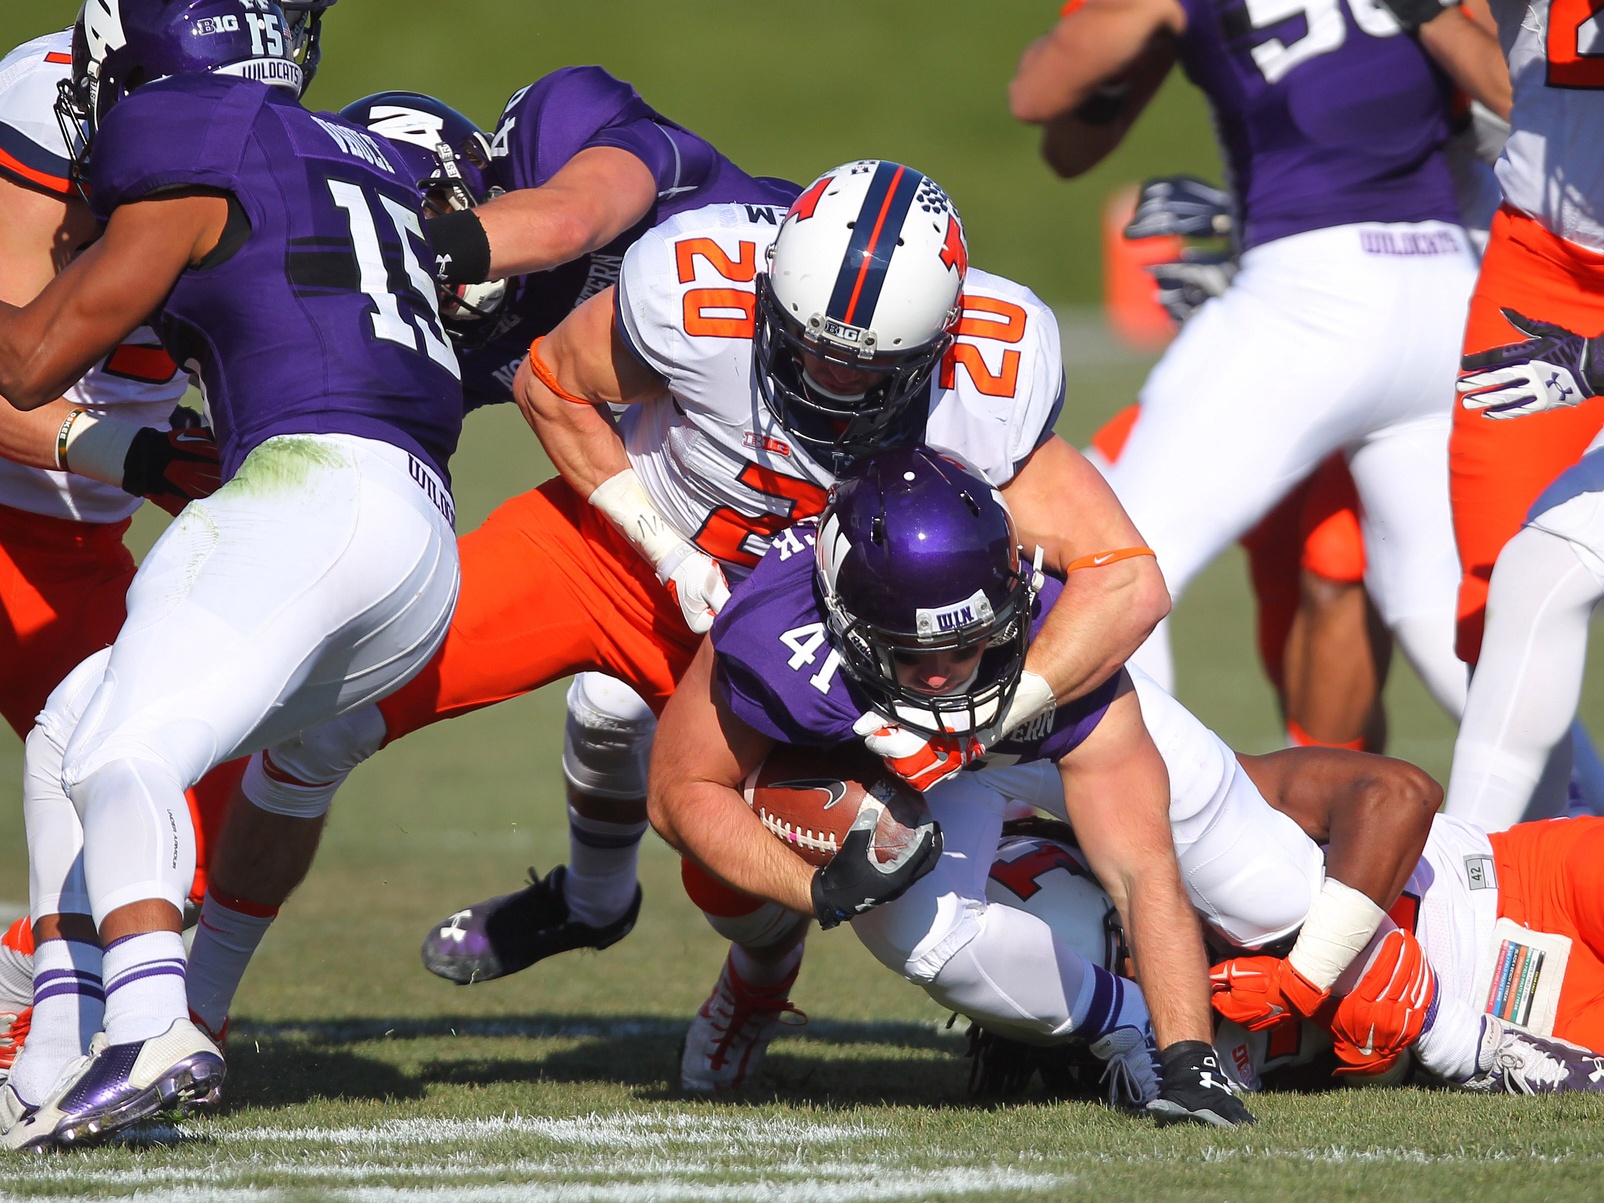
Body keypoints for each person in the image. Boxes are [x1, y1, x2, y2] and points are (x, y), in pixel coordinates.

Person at [172, 76, 806, 1040]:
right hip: (613, 530)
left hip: (789, 536)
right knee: (315, 725)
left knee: (743, 847)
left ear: (479, 176)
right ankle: (195, 1008)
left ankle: (762, 978)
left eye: (424, 210)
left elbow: (567, 218)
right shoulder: (422, 334)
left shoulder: (569, 125)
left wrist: (404, 245)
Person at [653, 447, 1452, 1121]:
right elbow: (681, 791)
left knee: (1275, 900)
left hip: (1030, 725)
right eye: (913, 654)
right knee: (925, 937)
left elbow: (1143, 868)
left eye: (967, 645)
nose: (942, 676)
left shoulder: (1057, 649)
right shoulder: (774, 636)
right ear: (845, 620)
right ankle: (1124, 1020)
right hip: (911, 779)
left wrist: (1191, 1061)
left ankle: (1450, 938)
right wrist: (816, 890)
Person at [0, 0, 463, 1149]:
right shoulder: (358, 154)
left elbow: (28, 361)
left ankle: (157, 1025)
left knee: (123, 754)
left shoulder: (192, 135)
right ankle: (56, 1058)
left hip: (306, 494)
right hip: (416, 540)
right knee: (72, 728)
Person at [1009, 0, 1504, 721]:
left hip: (1315, 291)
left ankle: (1155, 810)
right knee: (1435, 611)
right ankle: (1573, 816)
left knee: (1111, 550)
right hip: (1451, 295)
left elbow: (1037, 97)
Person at [0, 25, 250, 1084]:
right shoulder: (45, 102)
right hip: (34, 504)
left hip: (78, 531)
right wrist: (135, 450)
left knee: (196, 805)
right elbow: (12, 362)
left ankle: (35, 988)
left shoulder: (251, 121)